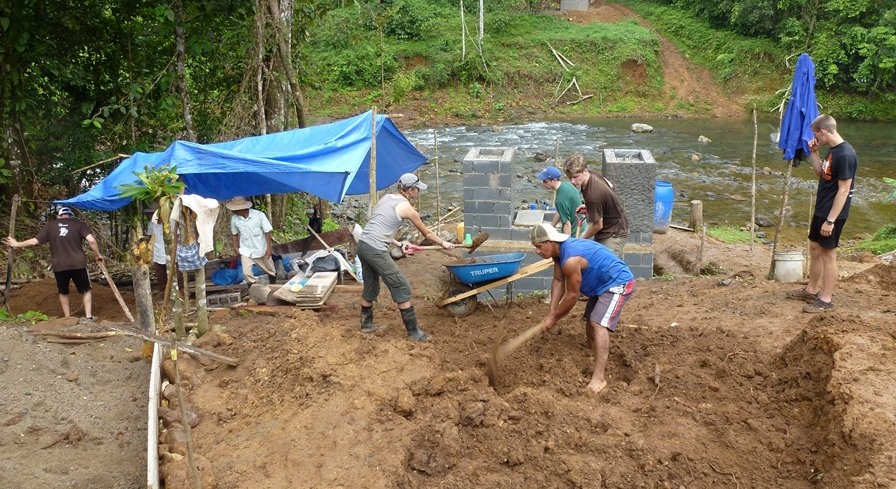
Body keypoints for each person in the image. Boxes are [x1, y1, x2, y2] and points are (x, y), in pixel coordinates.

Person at [530, 222, 635, 393]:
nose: (537, 251)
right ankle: (592, 354)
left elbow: (572, 296)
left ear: (550, 242)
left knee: (598, 323)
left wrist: (555, 318)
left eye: (539, 246)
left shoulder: (570, 259)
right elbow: (558, 281)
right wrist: (551, 313)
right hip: (600, 286)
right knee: (590, 321)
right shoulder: (558, 255)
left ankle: (599, 378)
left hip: (618, 282)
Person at [357, 173, 454, 341]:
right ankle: (414, 333)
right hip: (375, 250)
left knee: (371, 285)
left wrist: (399, 244)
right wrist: (443, 243)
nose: (418, 193)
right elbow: (427, 234)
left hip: (363, 245)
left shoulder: (386, 198)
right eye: (417, 189)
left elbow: (377, 225)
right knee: (402, 286)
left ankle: (366, 324)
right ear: (410, 190)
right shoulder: (407, 208)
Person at [787, 114, 857, 313]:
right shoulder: (832, 151)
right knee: (815, 248)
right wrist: (814, 152)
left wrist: (830, 221)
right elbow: (822, 173)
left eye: (816, 135)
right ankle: (811, 290)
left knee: (828, 254)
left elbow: (844, 191)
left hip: (833, 214)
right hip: (822, 209)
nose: (816, 138)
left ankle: (826, 299)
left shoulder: (845, 155)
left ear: (823, 131)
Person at [5, 206, 104, 321]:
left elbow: (35, 242)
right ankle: (88, 317)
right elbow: (91, 240)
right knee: (85, 290)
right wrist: (98, 254)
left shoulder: (50, 226)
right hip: (78, 264)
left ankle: (67, 318)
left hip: (59, 265)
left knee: (63, 292)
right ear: (71, 215)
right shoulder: (79, 224)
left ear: (59, 216)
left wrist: (17, 244)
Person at [563, 154, 629, 256]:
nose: (572, 181)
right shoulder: (592, 175)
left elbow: (598, 225)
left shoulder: (593, 195)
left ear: (585, 171)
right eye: (570, 178)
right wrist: (590, 208)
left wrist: (580, 240)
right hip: (607, 229)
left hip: (614, 233)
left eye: (576, 177)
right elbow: (611, 186)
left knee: (609, 268)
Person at [226, 196, 276, 285]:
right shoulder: (234, 219)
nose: (233, 211)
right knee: (246, 273)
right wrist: (235, 247)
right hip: (246, 250)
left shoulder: (259, 215)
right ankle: (254, 290)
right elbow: (234, 234)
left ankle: (273, 285)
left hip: (260, 248)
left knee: (271, 270)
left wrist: (269, 248)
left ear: (242, 209)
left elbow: (267, 232)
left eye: (235, 209)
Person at [536, 165, 585, 236]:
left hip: (576, 234)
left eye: (545, 181)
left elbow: (567, 225)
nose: (543, 184)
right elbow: (560, 211)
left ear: (554, 180)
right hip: (583, 228)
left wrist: (567, 244)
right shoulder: (566, 185)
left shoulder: (560, 199)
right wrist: (551, 228)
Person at [144, 202, 168, 292]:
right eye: (148, 214)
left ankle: (178, 289)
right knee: (159, 271)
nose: (149, 216)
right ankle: (162, 287)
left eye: (151, 214)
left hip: (168, 250)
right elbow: (150, 237)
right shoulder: (151, 224)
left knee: (174, 270)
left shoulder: (168, 223)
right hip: (157, 250)